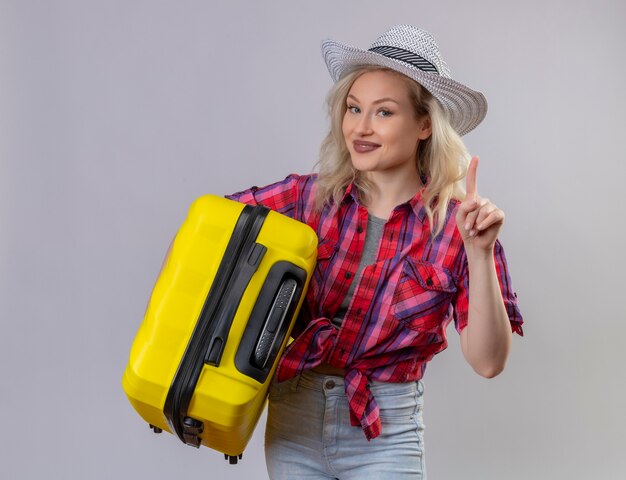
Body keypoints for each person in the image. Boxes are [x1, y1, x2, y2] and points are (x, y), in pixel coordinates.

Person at [225, 25, 523, 479]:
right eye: (353, 108)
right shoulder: (308, 200)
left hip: (387, 431)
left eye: (383, 112)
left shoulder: (459, 229)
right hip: (294, 419)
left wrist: (480, 254)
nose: (360, 127)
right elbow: (209, 226)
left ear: (425, 124)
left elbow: (488, 362)